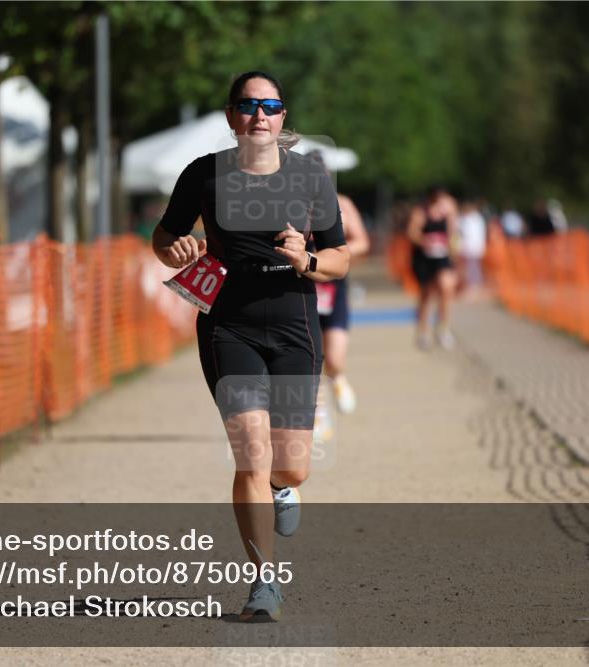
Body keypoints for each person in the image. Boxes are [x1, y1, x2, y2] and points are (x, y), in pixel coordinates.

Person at [152, 71, 350, 621]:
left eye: (270, 105)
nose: (259, 115)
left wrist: (306, 259)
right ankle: (264, 584)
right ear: (230, 115)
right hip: (228, 325)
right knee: (251, 457)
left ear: (284, 116)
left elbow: (340, 258)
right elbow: (164, 236)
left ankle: (283, 489)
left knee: (290, 468)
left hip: (294, 325)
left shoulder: (310, 175)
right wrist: (175, 250)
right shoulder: (203, 174)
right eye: (248, 105)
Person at [305, 152, 370, 415]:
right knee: (310, 357)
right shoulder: (290, 205)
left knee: (334, 358)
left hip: (334, 287)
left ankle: (339, 378)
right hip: (303, 289)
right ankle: (317, 411)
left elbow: (362, 241)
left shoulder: (342, 203)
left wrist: (332, 254)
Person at [407, 185, 458, 349]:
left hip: (442, 256)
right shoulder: (421, 210)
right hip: (424, 257)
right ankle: (423, 330)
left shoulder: (449, 207)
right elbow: (412, 232)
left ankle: (444, 328)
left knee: (446, 287)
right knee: (426, 293)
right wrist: (425, 241)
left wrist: (453, 250)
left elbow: (453, 232)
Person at [456, 199, 487, 295]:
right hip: (472, 247)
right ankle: (471, 286)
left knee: (471, 268)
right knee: (473, 267)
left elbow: (464, 233)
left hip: (470, 247)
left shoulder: (469, 219)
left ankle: (472, 287)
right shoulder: (477, 218)